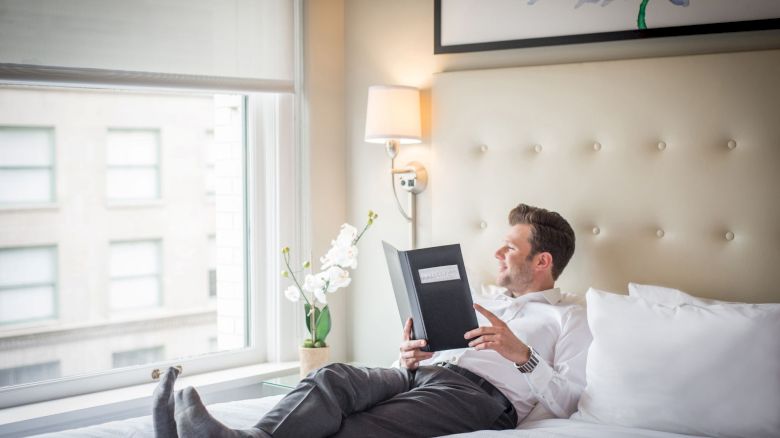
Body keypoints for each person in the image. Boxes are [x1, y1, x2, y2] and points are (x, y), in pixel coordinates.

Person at [153, 203, 592, 438]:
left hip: (482, 399)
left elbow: (569, 402)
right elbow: (425, 354)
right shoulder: (476, 296)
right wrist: (412, 355)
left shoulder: (568, 317)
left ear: (543, 261)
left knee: (356, 427)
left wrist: (521, 355)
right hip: (423, 375)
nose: (497, 253)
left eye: (510, 248)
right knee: (335, 379)